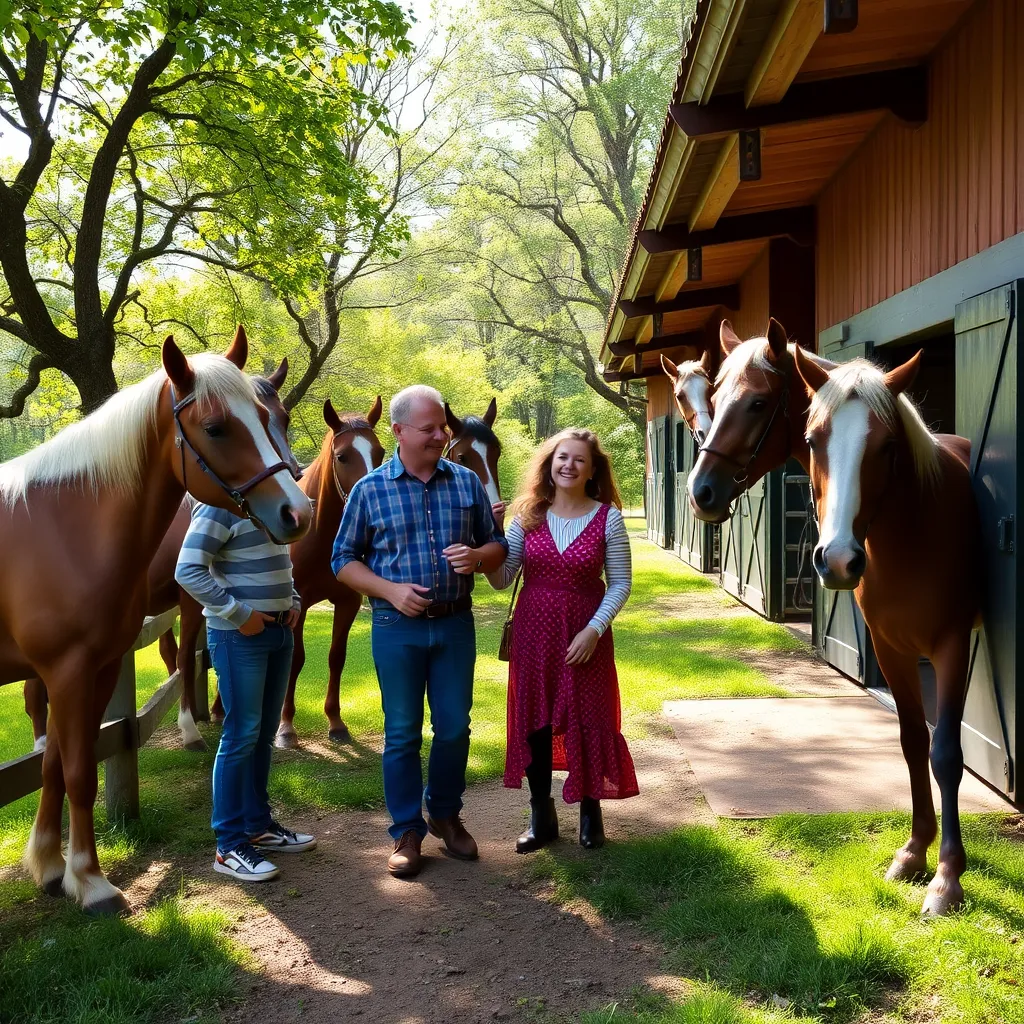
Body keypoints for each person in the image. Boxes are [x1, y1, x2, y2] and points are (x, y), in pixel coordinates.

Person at [331, 384, 508, 879]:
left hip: (454, 624)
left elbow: (495, 546)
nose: (441, 435)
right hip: (395, 628)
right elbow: (342, 560)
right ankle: (407, 831)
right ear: (399, 431)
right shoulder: (369, 490)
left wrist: (477, 557)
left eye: (442, 428)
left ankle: (446, 816)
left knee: (454, 727)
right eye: (430, 428)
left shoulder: (466, 483)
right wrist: (388, 590)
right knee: (402, 733)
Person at [489, 428, 637, 853]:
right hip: (533, 637)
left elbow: (620, 583)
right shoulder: (528, 517)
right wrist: (495, 537)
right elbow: (502, 581)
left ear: (592, 471)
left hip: (585, 637)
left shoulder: (607, 516)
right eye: (562, 458)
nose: (569, 465)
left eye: (579, 460)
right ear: (549, 465)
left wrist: (594, 629)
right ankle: (542, 817)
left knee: (590, 719)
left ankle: (591, 813)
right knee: (535, 723)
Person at [176, 502, 316, 883]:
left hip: (279, 632)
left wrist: (295, 601)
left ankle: (258, 827)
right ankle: (228, 845)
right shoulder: (218, 506)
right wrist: (240, 615)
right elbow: (187, 569)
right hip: (238, 635)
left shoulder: (271, 502)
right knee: (240, 736)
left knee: (262, 736)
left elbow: (279, 562)